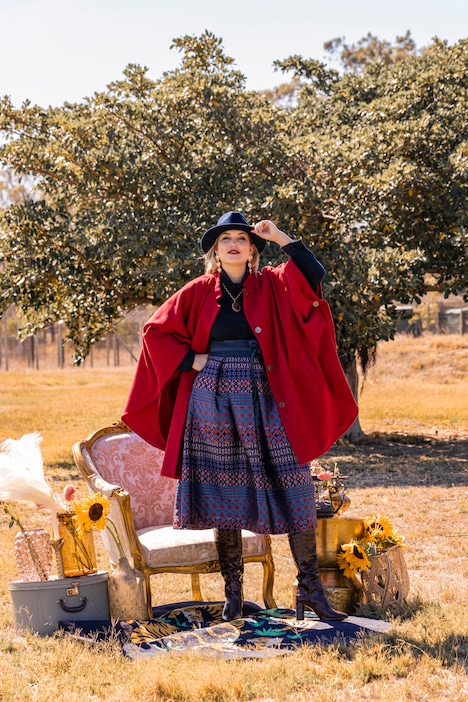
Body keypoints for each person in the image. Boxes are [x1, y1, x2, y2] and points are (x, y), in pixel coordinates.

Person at [122, 211, 358, 621]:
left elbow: (312, 273)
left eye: (241, 238)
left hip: (269, 397)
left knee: (296, 484)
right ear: (216, 250)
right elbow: (154, 331)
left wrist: (280, 235)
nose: (233, 243)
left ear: (252, 250)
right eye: (225, 238)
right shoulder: (197, 291)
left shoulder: (274, 283)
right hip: (211, 399)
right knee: (222, 494)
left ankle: (309, 590)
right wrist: (189, 360)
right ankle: (233, 596)